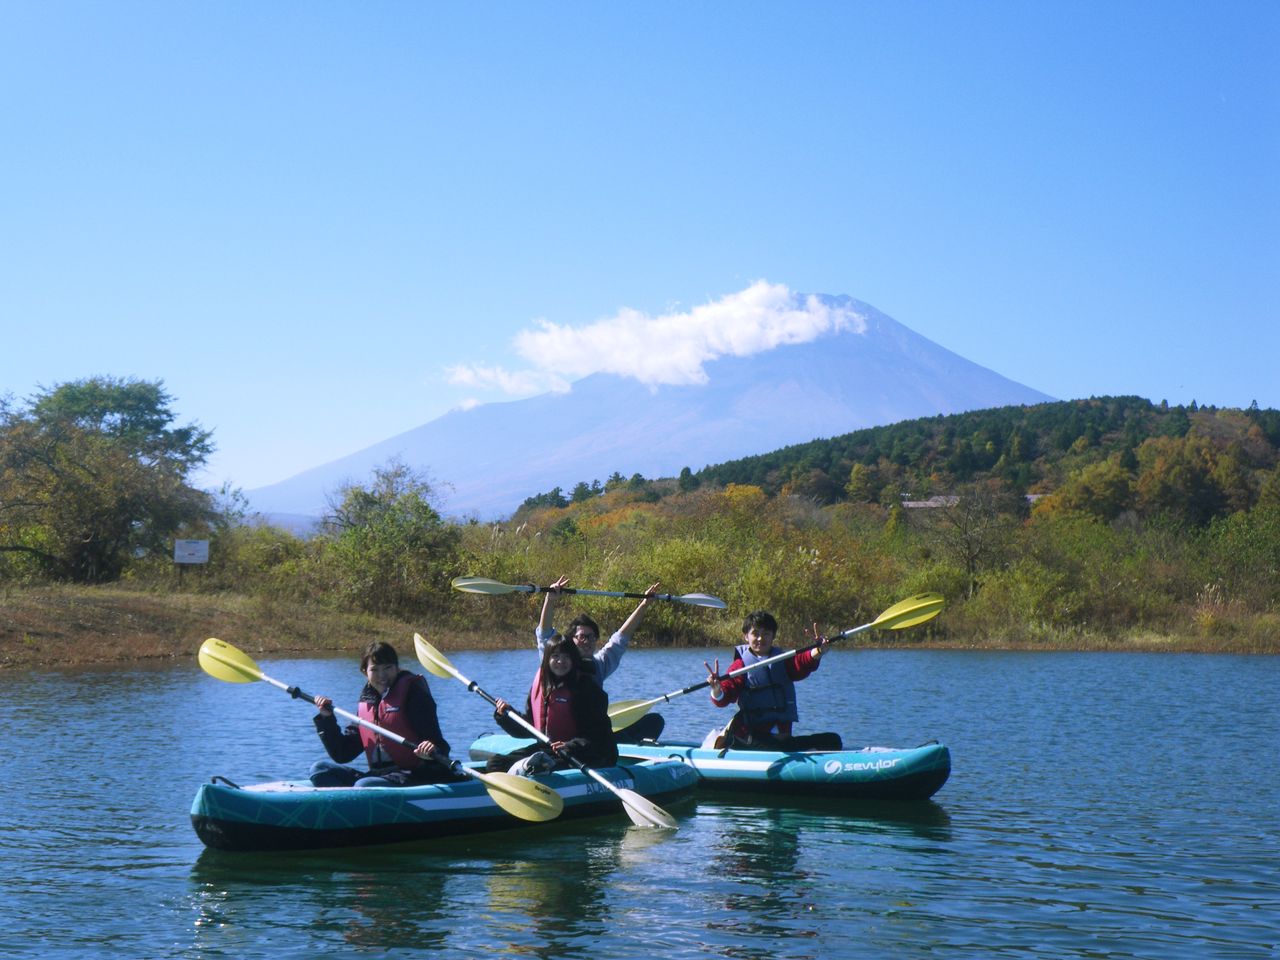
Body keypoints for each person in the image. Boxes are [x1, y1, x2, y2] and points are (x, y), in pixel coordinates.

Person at [309, 640, 464, 787]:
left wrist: (430, 751)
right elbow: (343, 754)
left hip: (415, 774)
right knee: (320, 770)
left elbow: (440, 746)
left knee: (365, 785)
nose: (382, 675)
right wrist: (326, 719)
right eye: (375, 670)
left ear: (397, 668)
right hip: (380, 777)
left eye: (387, 668)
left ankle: (361, 799)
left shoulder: (413, 695)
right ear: (365, 672)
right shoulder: (367, 702)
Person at [536, 574, 665, 742]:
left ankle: (624, 749)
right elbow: (544, 634)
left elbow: (621, 638)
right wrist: (550, 599)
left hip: (591, 734)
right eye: (582, 637)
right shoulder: (557, 663)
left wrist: (644, 604)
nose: (587, 641)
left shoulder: (599, 664)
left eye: (592, 637)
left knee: (655, 721)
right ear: (571, 640)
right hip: (566, 736)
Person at [704, 610, 843, 751]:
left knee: (833, 740)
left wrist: (819, 650)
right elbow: (724, 696)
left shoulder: (783, 659)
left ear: (773, 636)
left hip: (782, 740)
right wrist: (717, 690)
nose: (760, 638)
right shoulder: (740, 665)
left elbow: (802, 661)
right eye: (755, 633)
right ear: (746, 636)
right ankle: (730, 742)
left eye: (766, 634)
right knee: (777, 747)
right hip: (751, 736)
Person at [485, 634, 618, 776]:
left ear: (574, 659)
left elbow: (599, 735)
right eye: (555, 656)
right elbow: (530, 728)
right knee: (495, 764)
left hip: (586, 753)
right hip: (551, 750)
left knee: (540, 767)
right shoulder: (543, 686)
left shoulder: (587, 688)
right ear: (547, 659)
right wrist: (506, 716)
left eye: (566, 657)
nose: (561, 661)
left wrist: (570, 746)